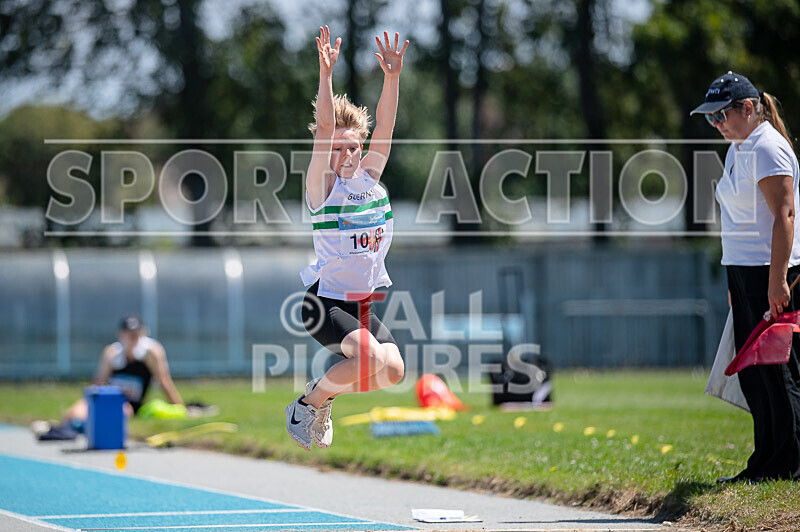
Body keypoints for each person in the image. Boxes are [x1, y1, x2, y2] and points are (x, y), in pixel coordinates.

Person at [284, 26, 409, 451]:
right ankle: (308, 402)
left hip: (361, 303)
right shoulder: (323, 188)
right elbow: (323, 130)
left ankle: (325, 396)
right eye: (338, 149)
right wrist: (326, 74)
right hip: (325, 302)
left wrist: (392, 79)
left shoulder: (370, 181)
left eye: (353, 146)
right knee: (370, 358)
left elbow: (386, 130)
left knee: (392, 371)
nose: (347, 155)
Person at [691, 71, 800, 482]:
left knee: (778, 371)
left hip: (772, 271)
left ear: (748, 108)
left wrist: (777, 282)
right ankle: (765, 462)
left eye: (721, 115)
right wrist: (735, 286)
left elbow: (784, 216)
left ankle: (789, 464)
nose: (717, 124)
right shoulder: (739, 146)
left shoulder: (768, 148)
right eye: (710, 119)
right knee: (755, 375)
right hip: (744, 273)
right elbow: (738, 219)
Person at [33, 315, 184, 440]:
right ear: (121, 334)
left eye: (136, 334)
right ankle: (64, 428)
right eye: (128, 333)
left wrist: (180, 408)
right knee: (73, 413)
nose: (132, 338)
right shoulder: (112, 353)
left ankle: (81, 428)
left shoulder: (151, 353)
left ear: (142, 333)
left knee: (120, 412)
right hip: (109, 397)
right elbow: (97, 384)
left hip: (129, 404)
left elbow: (164, 381)